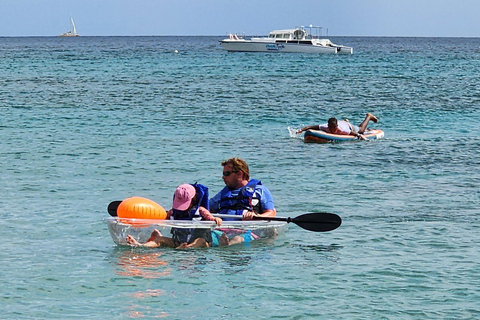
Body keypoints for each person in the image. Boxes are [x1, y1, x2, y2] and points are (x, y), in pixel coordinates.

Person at [126, 183, 223, 249]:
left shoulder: (200, 210)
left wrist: (216, 219)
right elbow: (163, 219)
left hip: (198, 242)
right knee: (160, 240)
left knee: (200, 241)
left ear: (193, 200)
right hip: (177, 242)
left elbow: (210, 218)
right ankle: (141, 245)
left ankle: (187, 248)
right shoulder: (173, 212)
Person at [209, 157, 276, 245]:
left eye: (226, 173)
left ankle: (227, 246)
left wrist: (257, 216)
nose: (223, 177)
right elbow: (207, 209)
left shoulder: (260, 190)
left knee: (237, 239)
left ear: (239, 174)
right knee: (205, 239)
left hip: (246, 232)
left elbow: (271, 213)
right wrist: (212, 217)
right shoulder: (223, 193)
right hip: (222, 231)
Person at [296, 113, 378, 140]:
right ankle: (345, 121)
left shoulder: (342, 130)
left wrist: (360, 136)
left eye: (333, 128)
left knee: (361, 130)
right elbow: (311, 127)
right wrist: (301, 130)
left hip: (348, 127)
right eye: (330, 127)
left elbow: (353, 133)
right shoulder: (325, 127)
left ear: (336, 126)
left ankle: (368, 116)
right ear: (328, 126)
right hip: (342, 123)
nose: (332, 130)